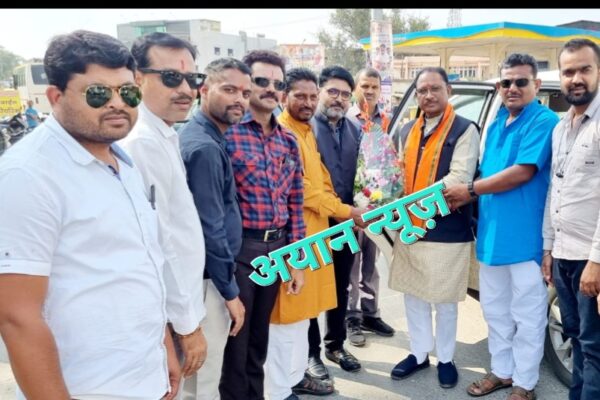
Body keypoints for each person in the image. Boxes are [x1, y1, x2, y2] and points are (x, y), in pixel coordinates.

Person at [0, 30, 180, 400]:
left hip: (144, 377)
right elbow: (16, 317)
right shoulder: (28, 174)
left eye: (128, 93)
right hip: (86, 389)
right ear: (56, 97)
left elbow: (138, 268)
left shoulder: (121, 162)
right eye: (98, 93)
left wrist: (163, 351)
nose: (117, 104)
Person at [444, 53, 559, 400]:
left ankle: (525, 383)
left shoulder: (544, 120)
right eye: (506, 82)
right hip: (491, 240)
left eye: (521, 82)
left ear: (536, 85)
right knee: (495, 312)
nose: (512, 88)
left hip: (525, 241)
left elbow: (523, 172)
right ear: (498, 86)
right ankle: (503, 371)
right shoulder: (495, 125)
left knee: (528, 315)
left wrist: (469, 190)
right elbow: (485, 172)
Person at [266, 67, 366, 399]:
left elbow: (322, 179)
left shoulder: (309, 131)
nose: (308, 102)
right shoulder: (283, 133)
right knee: (291, 314)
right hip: (298, 236)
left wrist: (353, 206)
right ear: (284, 97)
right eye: (302, 96)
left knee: (311, 305)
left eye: (311, 96)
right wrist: (345, 210)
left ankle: (297, 375)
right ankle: (286, 383)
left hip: (323, 230)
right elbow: (304, 189)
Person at [119, 32, 208, 399]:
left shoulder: (164, 134)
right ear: (137, 79)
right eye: (171, 77)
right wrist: (186, 326)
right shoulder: (142, 142)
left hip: (175, 308)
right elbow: (160, 240)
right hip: (166, 315)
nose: (186, 89)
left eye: (192, 78)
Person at [219, 49, 306, 400]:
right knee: (235, 343)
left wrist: (297, 260)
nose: (271, 89)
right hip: (240, 251)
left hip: (277, 250)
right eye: (261, 81)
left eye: (278, 84)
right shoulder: (227, 135)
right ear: (246, 85)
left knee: (259, 341)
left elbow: (295, 201)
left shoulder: (288, 141)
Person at [388, 67, 480, 388]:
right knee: (413, 296)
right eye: (422, 90)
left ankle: (446, 358)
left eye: (435, 89)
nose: (428, 95)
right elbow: (396, 176)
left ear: (448, 91)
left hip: (447, 229)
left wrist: (410, 202)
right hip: (410, 228)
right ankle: (418, 354)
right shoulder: (406, 130)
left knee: (444, 301)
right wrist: (384, 196)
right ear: (416, 95)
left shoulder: (465, 129)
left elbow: (459, 178)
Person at [179, 57, 251, 400]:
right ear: (204, 90)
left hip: (207, 278)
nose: (240, 99)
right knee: (201, 382)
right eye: (230, 89)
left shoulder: (212, 138)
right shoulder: (204, 147)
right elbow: (210, 227)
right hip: (207, 281)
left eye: (245, 93)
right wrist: (230, 293)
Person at [542, 38, 600, 400]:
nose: (575, 78)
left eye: (584, 69)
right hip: (563, 255)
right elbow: (555, 188)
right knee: (575, 338)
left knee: (594, 347)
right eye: (568, 71)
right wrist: (549, 248)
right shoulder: (560, 128)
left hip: (590, 259)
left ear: (598, 72)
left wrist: (597, 261)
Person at [307, 65, 363, 378]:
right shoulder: (304, 128)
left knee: (340, 286)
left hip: (346, 223)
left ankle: (336, 344)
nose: (339, 99)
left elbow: (364, 176)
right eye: (332, 91)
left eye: (345, 94)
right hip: (313, 222)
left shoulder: (355, 128)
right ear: (319, 92)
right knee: (310, 289)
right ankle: (310, 353)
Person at [344, 67, 395, 347]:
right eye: (365, 86)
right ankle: (351, 317)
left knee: (372, 261)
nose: (370, 91)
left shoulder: (386, 120)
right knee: (351, 262)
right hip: (352, 205)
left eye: (375, 86)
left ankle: (370, 313)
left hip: (377, 203)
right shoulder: (346, 119)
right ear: (356, 88)